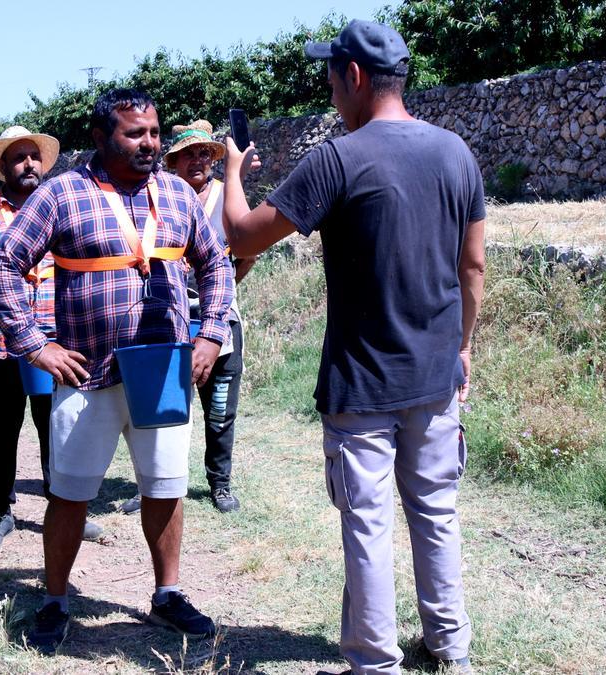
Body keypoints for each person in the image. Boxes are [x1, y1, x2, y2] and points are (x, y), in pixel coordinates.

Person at [220, 20, 487, 675]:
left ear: (356, 77)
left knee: (367, 522)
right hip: (434, 372)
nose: (330, 90)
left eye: (331, 75)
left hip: (362, 385)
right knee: (435, 510)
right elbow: (473, 266)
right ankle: (449, 645)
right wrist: (464, 348)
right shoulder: (456, 153)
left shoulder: (338, 159)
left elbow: (244, 236)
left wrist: (232, 171)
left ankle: (374, 662)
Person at [0, 88, 234, 654]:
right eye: (135, 134)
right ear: (101, 138)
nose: (150, 143)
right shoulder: (62, 195)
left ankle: (167, 594)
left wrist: (212, 332)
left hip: (164, 372)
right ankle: (55, 601)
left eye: (154, 132)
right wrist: (33, 345)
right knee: (70, 495)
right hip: (85, 372)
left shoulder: (176, 194)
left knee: (165, 488)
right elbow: (3, 265)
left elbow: (215, 263)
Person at [0, 126, 103, 552]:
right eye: (18, 158)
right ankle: (0, 512)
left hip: (53, 344)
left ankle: (69, 510)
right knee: (1, 430)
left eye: (34, 157)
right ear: (3, 168)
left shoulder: (60, 212)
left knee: (59, 429)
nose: (28, 165)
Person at [118, 120, 258, 515]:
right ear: (174, 162)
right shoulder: (158, 199)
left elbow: (247, 253)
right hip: (167, 319)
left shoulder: (226, 194)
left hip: (218, 320)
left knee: (218, 409)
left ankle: (220, 483)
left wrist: (221, 289)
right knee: (160, 410)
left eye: (204, 153)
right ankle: (152, 484)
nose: (197, 160)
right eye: (187, 155)